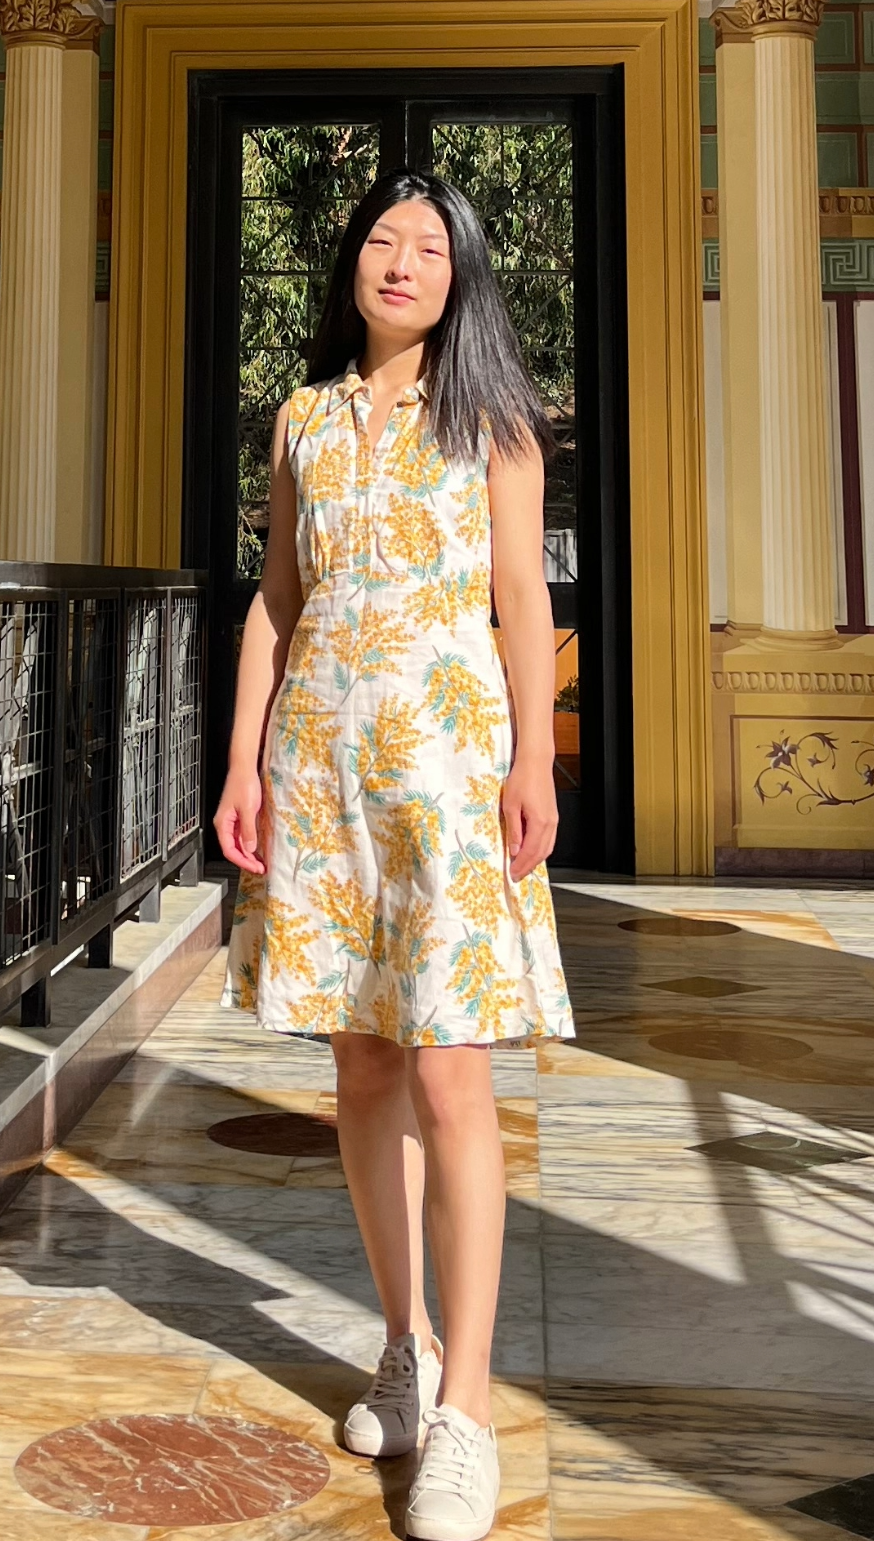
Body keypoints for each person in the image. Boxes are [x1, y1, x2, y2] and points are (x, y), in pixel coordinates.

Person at [215, 167, 573, 1541]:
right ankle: (405, 1352)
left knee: (450, 1069)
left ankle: (469, 1414)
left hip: (446, 776)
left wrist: (533, 761)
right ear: (350, 269)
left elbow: (523, 600)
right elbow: (274, 599)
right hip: (322, 773)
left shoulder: (491, 422)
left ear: (461, 271)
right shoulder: (302, 418)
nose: (402, 262)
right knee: (360, 1061)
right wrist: (246, 757)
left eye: (427, 246)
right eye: (381, 241)